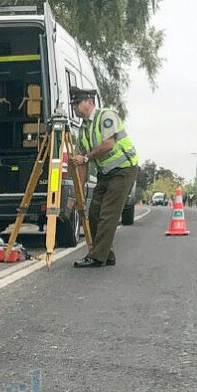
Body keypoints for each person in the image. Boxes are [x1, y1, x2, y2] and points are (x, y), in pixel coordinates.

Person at [69, 86, 139, 268]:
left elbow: (108, 144)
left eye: (77, 103)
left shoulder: (106, 116)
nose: (74, 107)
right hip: (106, 173)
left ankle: (96, 257)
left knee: (108, 213)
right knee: (93, 212)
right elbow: (81, 164)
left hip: (124, 169)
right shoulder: (83, 129)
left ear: (90, 102)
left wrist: (85, 157)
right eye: (73, 104)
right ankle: (107, 255)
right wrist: (80, 195)